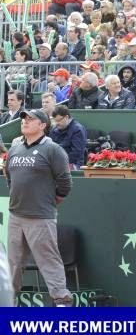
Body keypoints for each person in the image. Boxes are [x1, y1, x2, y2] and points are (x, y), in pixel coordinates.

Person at [5, 109, 72, 306]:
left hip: (40, 217)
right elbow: (10, 176)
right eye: (24, 118)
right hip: (16, 215)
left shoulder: (53, 149)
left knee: (48, 261)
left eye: (30, 119)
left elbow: (65, 183)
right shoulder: (15, 147)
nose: (24, 121)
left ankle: (62, 302)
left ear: (42, 125)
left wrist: (54, 198)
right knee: (13, 264)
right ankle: (8, 302)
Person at [49, 105, 87, 170]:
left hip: (73, 163)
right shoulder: (54, 129)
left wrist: (58, 161)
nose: (57, 123)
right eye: (55, 121)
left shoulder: (78, 130)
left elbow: (76, 154)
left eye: (59, 120)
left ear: (66, 117)